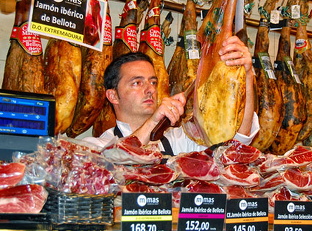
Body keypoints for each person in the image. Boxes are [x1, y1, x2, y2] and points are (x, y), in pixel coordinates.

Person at [83, 35, 259, 155]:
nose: (150, 89)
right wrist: (152, 122)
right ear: (113, 96)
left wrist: (248, 73)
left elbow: (237, 145)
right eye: (137, 83)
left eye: (153, 82)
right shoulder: (96, 147)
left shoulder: (178, 141)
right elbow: (115, 160)